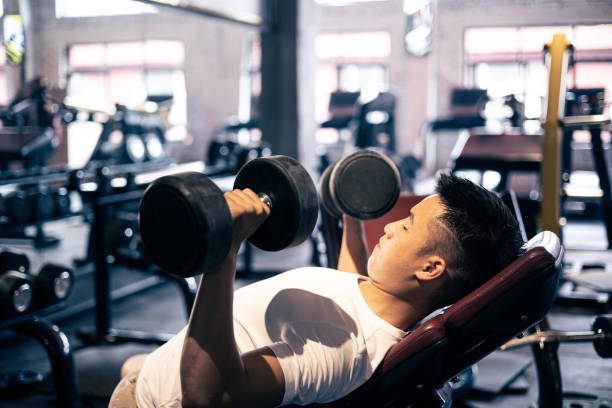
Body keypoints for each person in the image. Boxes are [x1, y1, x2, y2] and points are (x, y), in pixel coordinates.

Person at [109, 173, 523, 408]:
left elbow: (209, 397)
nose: (393, 226)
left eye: (408, 225)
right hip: (162, 368)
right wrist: (353, 217)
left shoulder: (343, 351)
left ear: (431, 268)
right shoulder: (382, 306)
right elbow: (349, 286)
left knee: (126, 377)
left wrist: (223, 254)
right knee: (134, 362)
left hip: (150, 401)